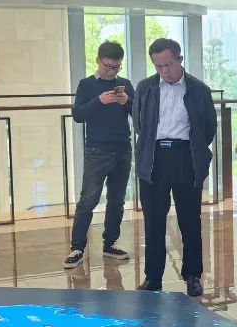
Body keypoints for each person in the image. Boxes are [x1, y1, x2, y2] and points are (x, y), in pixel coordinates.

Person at [133, 38, 216, 297]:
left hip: (185, 157)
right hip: (154, 158)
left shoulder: (198, 89)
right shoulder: (145, 88)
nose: (164, 71)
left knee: (190, 220)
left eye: (168, 64)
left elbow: (208, 129)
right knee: (153, 221)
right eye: (158, 66)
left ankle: (193, 275)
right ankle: (153, 278)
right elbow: (139, 124)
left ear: (179, 60)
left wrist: (194, 153)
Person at [64, 41, 134, 269]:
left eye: (116, 67)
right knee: (88, 200)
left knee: (117, 200)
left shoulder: (125, 85)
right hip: (97, 150)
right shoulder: (86, 84)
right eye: (108, 66)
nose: (112, 71)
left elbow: (138, 113)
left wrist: (127, 102)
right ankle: (77, 248)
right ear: (98, 61)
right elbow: (78, 115)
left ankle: (110, 243)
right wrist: (99, 101)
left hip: (122, 148)